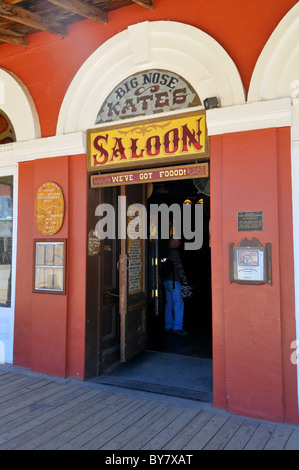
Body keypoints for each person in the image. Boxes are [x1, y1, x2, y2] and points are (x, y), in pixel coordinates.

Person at [163, 238, 189, 335]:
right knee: (178, 303)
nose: (179, 243)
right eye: (178, 241)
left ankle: (168, 325)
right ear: (172, 241)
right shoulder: (174, 252)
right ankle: (178, 327)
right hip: (174, 281)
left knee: (169, 303)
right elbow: (179, 267)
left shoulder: (164, 252)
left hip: (166, 281)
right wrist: (185, 281)